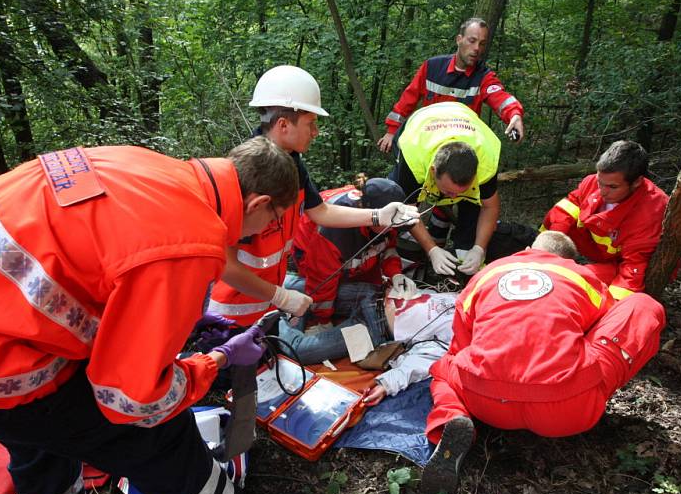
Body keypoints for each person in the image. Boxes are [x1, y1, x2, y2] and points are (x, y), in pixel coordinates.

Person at [0, 137, 299, 494]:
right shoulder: (190, 239)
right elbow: (131, 399)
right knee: (162, 437)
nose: (268, 229)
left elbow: (95, 267)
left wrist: (184, 319)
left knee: (39, 444)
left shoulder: (148, 165)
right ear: (258, 204)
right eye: (274, 219)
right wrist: (219, 360)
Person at [421, 231, 666, 494]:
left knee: (444, 369)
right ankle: (590, 386)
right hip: (568, 408)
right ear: (570, 260)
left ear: (528, 249)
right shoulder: (581, 276)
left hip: (487, 403)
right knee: (643, 306)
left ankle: (450, 416)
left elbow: (462, 346)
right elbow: (601, 325)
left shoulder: (487, 273)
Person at [208, 65, 419, 328]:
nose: (316, 132)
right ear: (283, 125)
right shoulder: (247, 173)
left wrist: (379, 215)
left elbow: (320, 211)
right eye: (311, 123)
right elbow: (225, 264)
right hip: (232, 311)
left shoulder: (292, 163)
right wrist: (280, 296)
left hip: (264, 303)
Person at [275, 177, 416, 365]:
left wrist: (396, 273)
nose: (391, 228)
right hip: (311, 265)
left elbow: (386, 248)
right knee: (300, 348)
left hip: (373, 301)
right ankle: (272, 313)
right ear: (369, 211)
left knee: (300, 348)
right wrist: (323, 320)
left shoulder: (386, 220)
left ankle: (275, 306)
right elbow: (321, 278)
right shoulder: (334, 232)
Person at [541, 140, 669, 300]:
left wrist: (613, 307)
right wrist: (544, 251)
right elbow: (567, 207)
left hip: (620, 263)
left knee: (577, 280)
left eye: (612, 187)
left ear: (636, 182)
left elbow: (633, 266)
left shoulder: (651, 210)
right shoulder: (593, 181)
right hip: (597, 249)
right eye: (600, 182)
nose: (602, 191)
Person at [377, 17, 525, 154]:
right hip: (427, 144)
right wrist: (392, 131)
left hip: (461, 151)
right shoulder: (432, 67)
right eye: (472, 41)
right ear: (459, 40)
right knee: (397, 179)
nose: (476, 48)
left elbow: (501, 98)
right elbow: (407, 100)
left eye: (482, 44)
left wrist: (515, 115)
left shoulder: (483, 77)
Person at [389, 101, 502, 277]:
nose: (454, 197)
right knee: (395, 207)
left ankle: (462, 257)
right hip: (422, 124)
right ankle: (409, 260)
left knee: (472, 210)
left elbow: (490, 206)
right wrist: (431, 249)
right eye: (449, 192)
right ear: (433, 172)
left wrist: (479, 248)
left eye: (461, 192)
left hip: (465, 120)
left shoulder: (486, 164)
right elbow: (406, 210)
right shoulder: (413, 160)